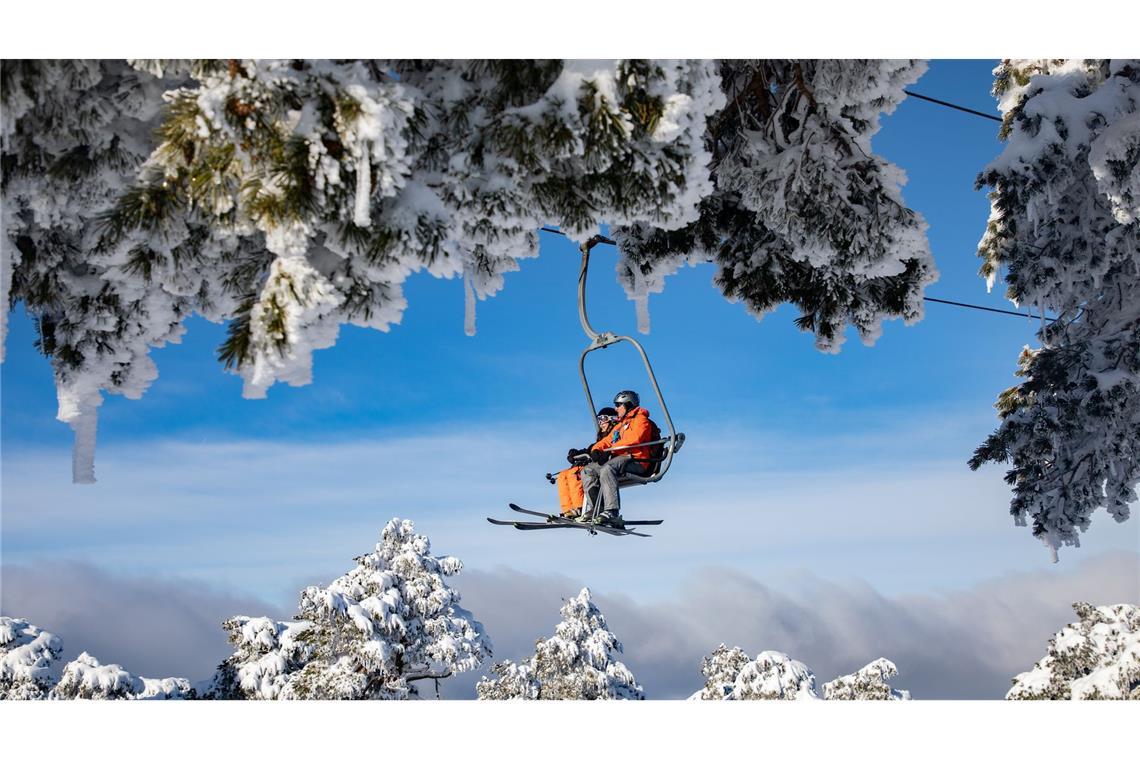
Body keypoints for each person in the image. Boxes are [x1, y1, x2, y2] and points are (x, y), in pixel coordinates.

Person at [578, 390, 656, 528]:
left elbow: (633, 439)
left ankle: (611, 511)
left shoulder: (641, 419)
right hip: (620, 459)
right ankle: (596, 509)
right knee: (588, 470)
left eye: (618, 405)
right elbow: (608, 440)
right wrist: (596, 450)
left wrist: (610, 451)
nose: (616, 408)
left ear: (628, 405)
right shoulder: (622, 424)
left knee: (608, 468)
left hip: (636, 460)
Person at [557, 407, 619, 518]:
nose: (601, 423)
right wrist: (576, 454)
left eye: (603, 419)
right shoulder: (601, 439)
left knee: (574, 474)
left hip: (605, 465)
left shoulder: (615, 435)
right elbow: (590, 449)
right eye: (599, 420)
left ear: (612, 419)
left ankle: (579, 508)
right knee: (562, 475)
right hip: (594, 465)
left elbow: (614, 448)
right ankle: (569, 509)